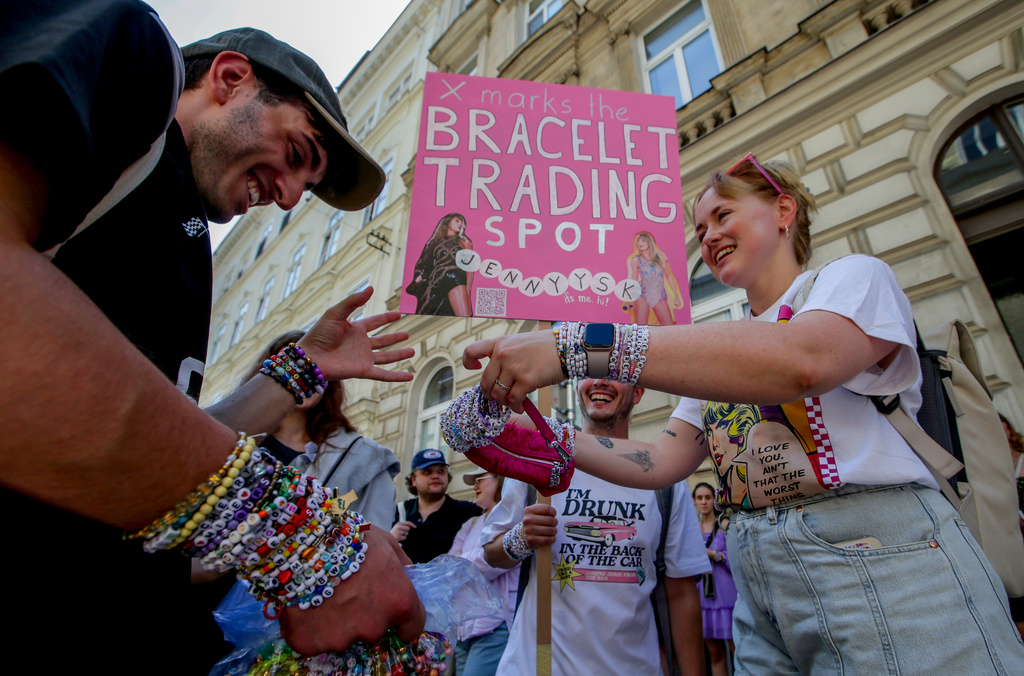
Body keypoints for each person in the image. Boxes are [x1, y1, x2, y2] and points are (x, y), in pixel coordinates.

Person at [462, 155, 1024, 673]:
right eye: (700, 230)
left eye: (722, 215)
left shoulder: (848, 279)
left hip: (878, 556)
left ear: (784, 210)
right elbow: (658, 460)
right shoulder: (721, 358)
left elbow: (805, 361)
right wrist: (525, 431)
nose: (707, 238)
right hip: (759, 569)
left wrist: (573, 348)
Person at [0, 4, 422, 669]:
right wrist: (300, 543)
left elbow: (159, 448)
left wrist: (297, 373)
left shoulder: (189, 246)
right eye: (296, 155)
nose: (288, 199)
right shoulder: (133, 52)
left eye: (304, 188)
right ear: (229, 78)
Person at [480, 377, 709, 675]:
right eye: (591, 371)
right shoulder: (536, 463)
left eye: (616, 373)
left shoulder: (664, 483)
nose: (601, 380)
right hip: (540, 667)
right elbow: (491, 554)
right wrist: (521, 538)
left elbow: (681, 595)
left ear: (638, 393)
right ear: (578, 388)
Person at [248, 331, 400, 527]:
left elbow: (373, 537)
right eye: (289, 364)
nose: (302, 374)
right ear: (266, 371)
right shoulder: (234, 441)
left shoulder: (364, 458)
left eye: (315, 366)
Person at [447, 470, 519, 676]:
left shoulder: (512, 516)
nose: (475, 486)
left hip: (495, 627)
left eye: (480, 480)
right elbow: (449, 568)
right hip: (464, 631)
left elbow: (493, 563)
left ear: (501, 481)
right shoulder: (470, 523)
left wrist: (463, 559)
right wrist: (470, 559)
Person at [391, 448, 482, 563]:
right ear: (413, 480)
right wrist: (391, 540)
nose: (435, 476)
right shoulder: (398, 512)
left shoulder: (467, 512)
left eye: (441, 471)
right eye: (427, 472)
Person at [692, 482, 737, 676]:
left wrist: (714, 554)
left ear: (714, 500)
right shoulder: (692, 529)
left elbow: (735, 560)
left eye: (707, 498)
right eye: (700, 498)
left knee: (738, 650)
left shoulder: (724, 525)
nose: (704, 502)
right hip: (703, 596)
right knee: (715, 654)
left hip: (726, 594)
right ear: (694, 501)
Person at [407, 212, 474, 315]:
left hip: (456, 278)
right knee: (427, 315)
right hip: (436, 281)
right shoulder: (433, 243)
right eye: (457, 221)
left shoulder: (464, 242)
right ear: (447, 222)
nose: (460, 224)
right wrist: (419, 277)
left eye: (462, 223)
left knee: (464, 315)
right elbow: (423, 263)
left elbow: (469, 268)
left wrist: (467, 290)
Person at [626, 231, 684, 326]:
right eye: (638, 241)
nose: (640, 243)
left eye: (643, 241)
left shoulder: (660, 258)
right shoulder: (636, 259)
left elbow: (668, 276)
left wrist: (676, 295)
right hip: (642, 294)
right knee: (640, 328)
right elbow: (634, 280)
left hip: (659, 294)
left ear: (649, 242)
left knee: (669, 326)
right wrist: (628, 300)